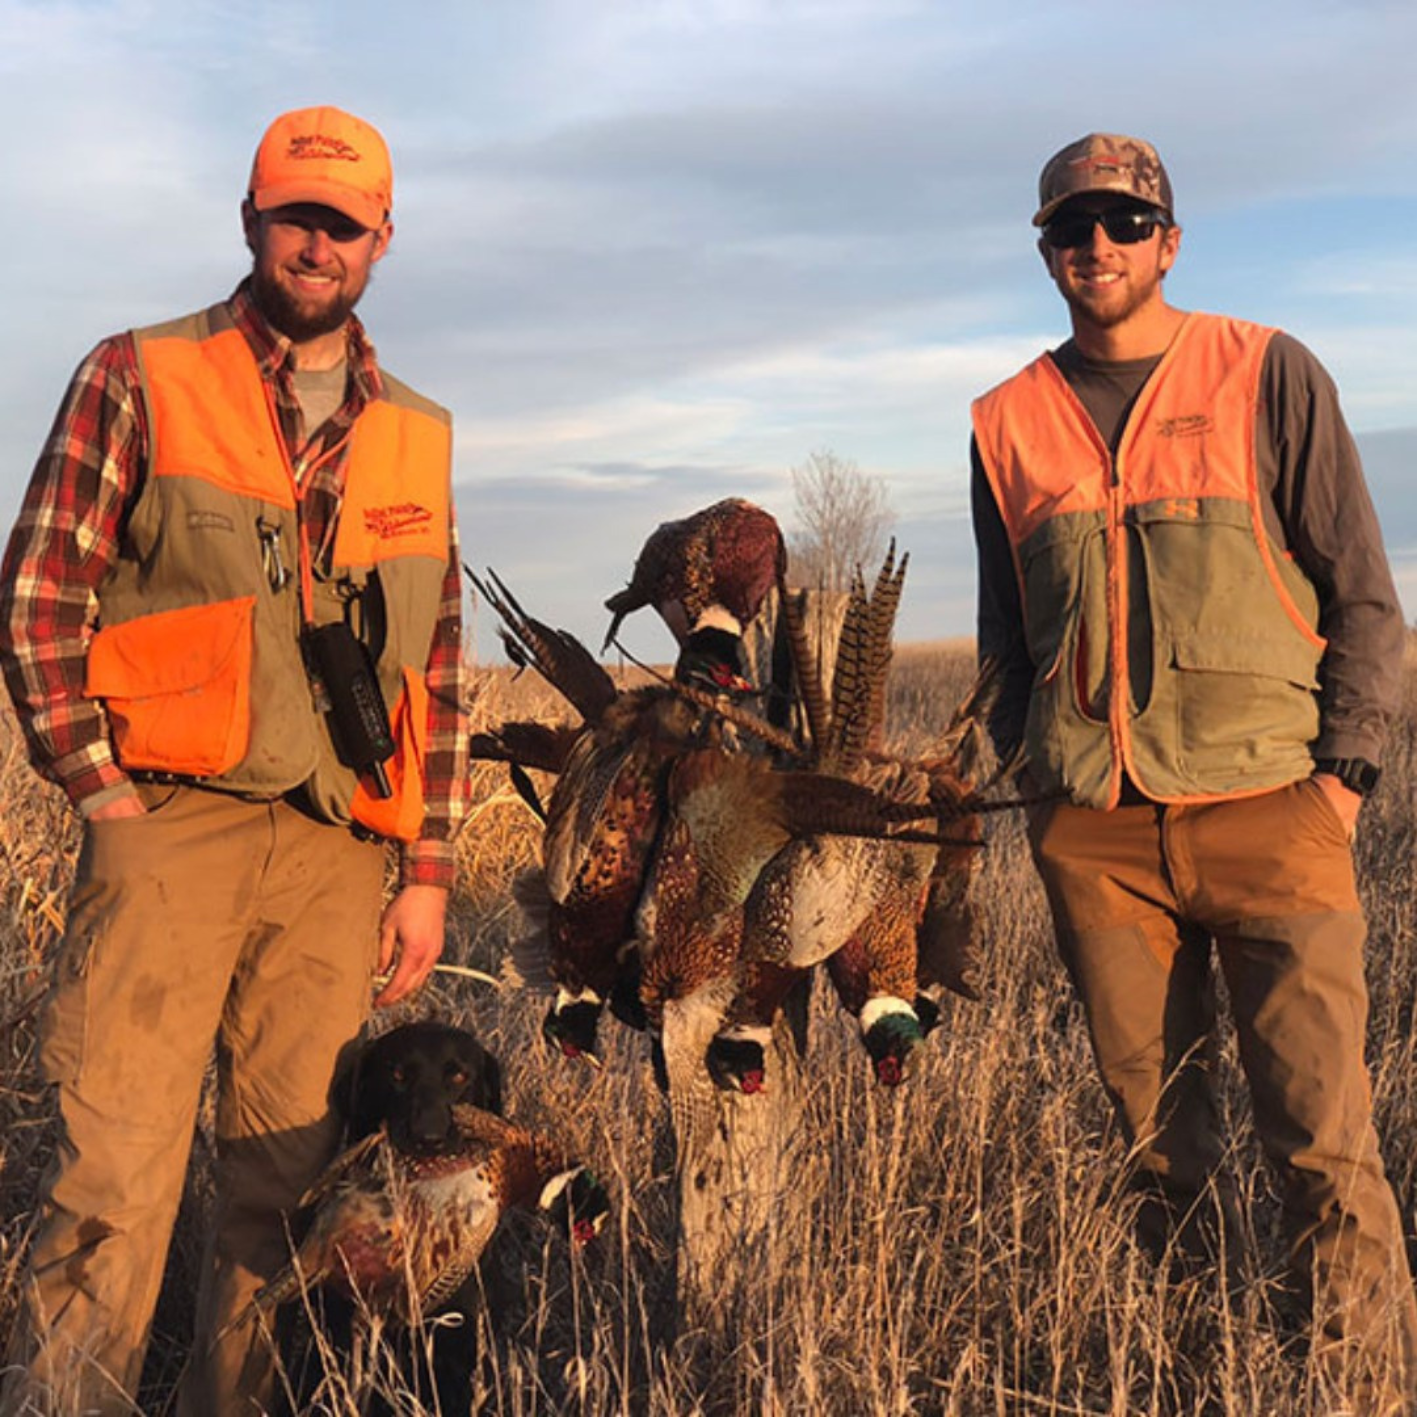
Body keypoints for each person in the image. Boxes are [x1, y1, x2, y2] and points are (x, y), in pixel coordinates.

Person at [0, 106, 469, 1415]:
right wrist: (106, 795)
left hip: (333, 861)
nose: (316, 241)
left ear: (384, 234)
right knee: (113, 1181)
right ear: (251, 218)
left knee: (280, 1189)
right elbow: (41, 597)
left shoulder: (419, 434)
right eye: (293, 213)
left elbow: (435, 671)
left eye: (343, 218)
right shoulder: (139, 372)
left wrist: (424, 871)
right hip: (171, 832)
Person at [970, 132, 1415, 1405]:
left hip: (1272, 810)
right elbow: (1010, 639)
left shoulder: (1265, 372)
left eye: (1122, 223)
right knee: (1156, 1148)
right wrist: (1040, 783)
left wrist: (1341, 782)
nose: (1094, 247)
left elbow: (1363, 595)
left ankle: (1359, 1385)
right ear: (1045, 247)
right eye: (1071, 227)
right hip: (1100, 841)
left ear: (1167, 242)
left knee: (1322, 1141)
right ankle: (1187, 1369)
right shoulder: (1005, 422)